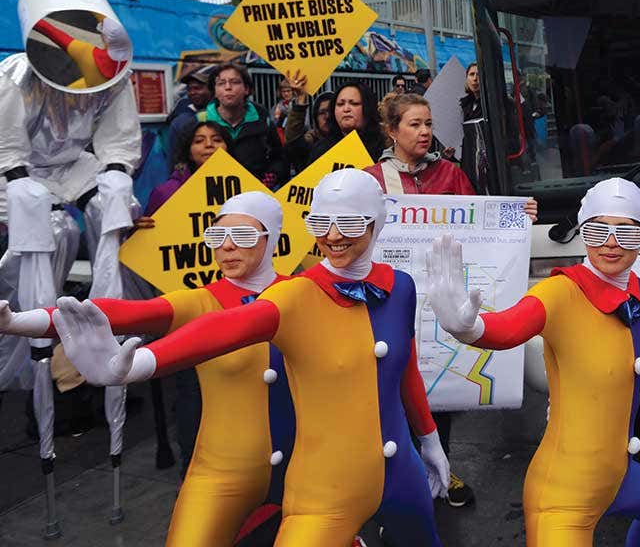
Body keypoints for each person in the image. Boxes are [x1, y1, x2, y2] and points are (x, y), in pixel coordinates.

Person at [55, 169, 449, 546]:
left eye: (348, 222)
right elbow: (225, 327)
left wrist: (429, 439)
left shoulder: (400, 286)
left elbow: (406, 371)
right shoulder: (297, 293)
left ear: (377, 221)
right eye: (319, 222)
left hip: (403, 473)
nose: (331, 236)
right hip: (326, 487)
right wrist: (140, 363)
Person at [5, 192, 293, 546]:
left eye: (244, 236)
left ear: (272, 238)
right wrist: (19, 321)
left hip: (302, 465)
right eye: (217, 236)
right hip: (222, 469)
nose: (227, 246)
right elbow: (125, 312)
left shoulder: (302, 294)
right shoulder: (201, 300)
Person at [427, 178, 640, 545]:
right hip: (563, 496)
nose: (611, 243)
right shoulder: (561, 292)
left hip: (619, 477)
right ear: (582, 231)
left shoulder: (638, 292)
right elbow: (509, 327)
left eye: (627, 233)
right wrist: (469, 328)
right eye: (597, 230)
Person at [0, 0, 142, 504]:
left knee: (111, 206)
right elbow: (8, 146)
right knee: (50, 229)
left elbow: (118, 139)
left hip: (74, 166)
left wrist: (116, 174)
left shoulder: (114, 78)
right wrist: (19, 183)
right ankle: (35, 334)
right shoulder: (13, 77)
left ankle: (112, 320)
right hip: (18, 173)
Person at [368, 92, 536, 509]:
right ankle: (392, 479)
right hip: (387, 302)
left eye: (428, 123)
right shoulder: (371, 181)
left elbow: (483, 223)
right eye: (414, 124)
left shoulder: (451, 174)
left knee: (436, 386)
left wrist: (518, 216)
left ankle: (440, 469)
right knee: (390, 389)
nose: (425, 132)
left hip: (438, 304)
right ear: (391, 131)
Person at [134, 119, 232, 472]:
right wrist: (139, 230)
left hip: (233, 307)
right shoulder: (166, 193)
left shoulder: (244, 191)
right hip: (190, 311)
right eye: (199, 140)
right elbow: (146, 249)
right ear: (187, 149)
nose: (208, 145)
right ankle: (194, 466)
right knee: (191, 390)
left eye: (216, 139)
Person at [197, 62, 288, 188]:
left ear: (246, 89)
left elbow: (279, 158)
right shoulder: (200, 122)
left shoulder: (263, 120)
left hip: (255, 194)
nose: (228, 87)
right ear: (215, 91)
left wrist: (270, 178)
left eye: (235, 82)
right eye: (221, 83)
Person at [298, 76, 388, 164]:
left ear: (368, 108)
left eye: (354, 103)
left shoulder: (386, 148)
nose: (346, 109)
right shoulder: (321, 150)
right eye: (340, 104)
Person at [282, 74, 335, 174]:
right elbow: (293, 139)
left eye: (331, 111)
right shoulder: (310, 142)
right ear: (315, 118)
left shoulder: (352, 141)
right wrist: (301, 100)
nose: (327, 116)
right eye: (322, 113)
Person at [165, 66, 214, 158]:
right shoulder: (181, 111)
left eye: (197, 88)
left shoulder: (222, 113)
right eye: (189, 89)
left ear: (211, 90)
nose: (192, 92)